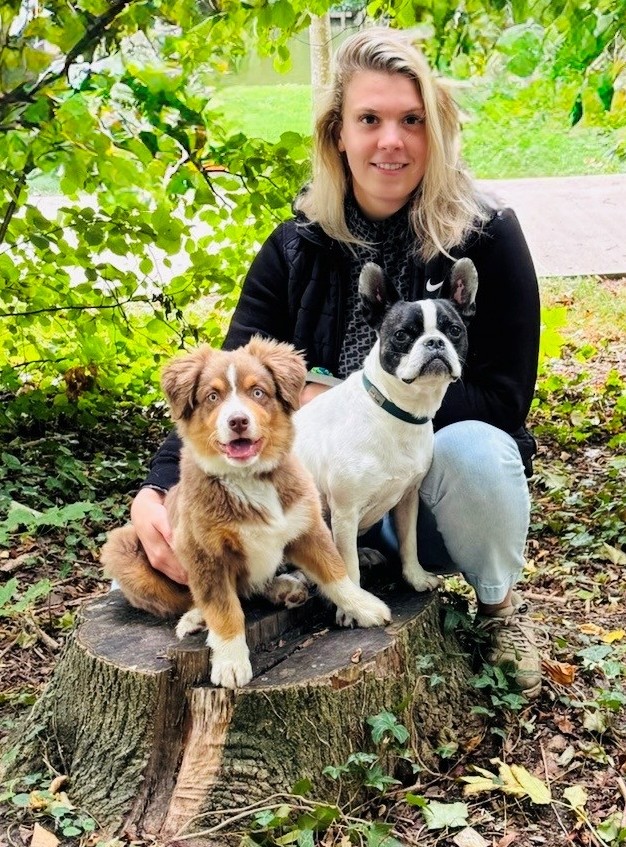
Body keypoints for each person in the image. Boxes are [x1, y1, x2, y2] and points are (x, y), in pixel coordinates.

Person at [129, 27, 542, 697]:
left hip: (428, 492)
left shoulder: (487, 235)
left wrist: (360, 409)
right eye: (369, 119)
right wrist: (158, 490)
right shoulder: (295, 245)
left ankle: (498, 608)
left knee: (482, 452)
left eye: (412, 120)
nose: (391, 141)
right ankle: (313, 574)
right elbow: (223, 384)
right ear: (337, 135)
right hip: (316, 504)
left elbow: (504, 397)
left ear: (435, 131)